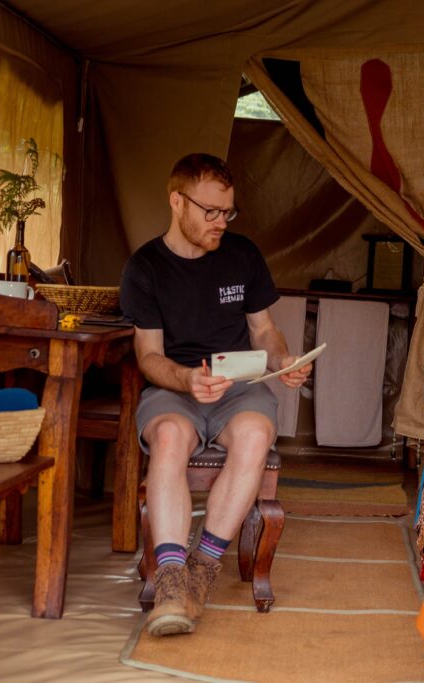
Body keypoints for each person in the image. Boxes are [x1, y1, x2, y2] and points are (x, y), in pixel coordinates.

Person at [120, 153, 313, 637]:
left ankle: (201, 571)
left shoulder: (242, 254)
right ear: (176, 201)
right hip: (175, 389)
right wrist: (187, 380)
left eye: (228, 212)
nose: (220, 223)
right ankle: (169, 578)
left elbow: (264, 330)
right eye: (210, 212)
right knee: (169, 438)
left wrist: (282, 359)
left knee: (254, 435)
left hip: (237, 391)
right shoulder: (145, 266)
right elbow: (147, 355)